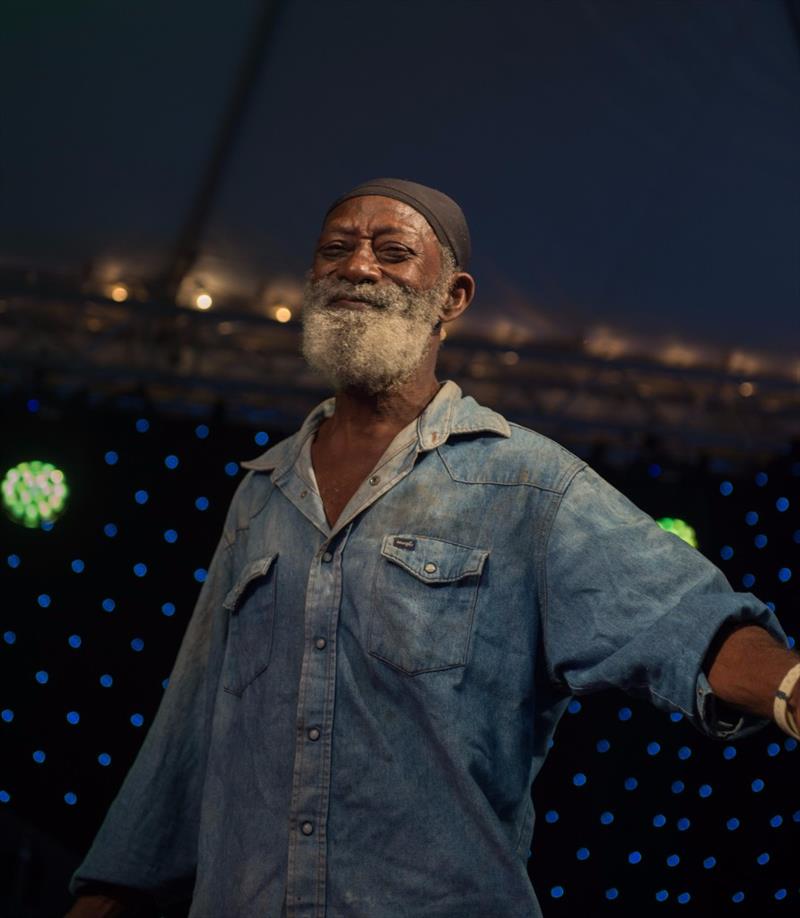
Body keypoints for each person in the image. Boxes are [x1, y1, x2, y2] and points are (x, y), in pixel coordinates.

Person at [66, 179, 800, 918]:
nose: (358, 268)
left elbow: (680, 620)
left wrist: (789, 686)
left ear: (452, 297)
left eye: (392, 252)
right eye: (336, 250)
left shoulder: (525, 482)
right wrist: (107, 894)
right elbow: (188, 730)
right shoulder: (261, 496)